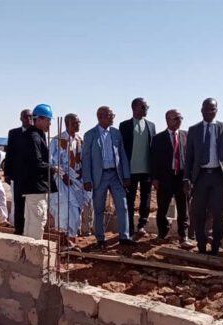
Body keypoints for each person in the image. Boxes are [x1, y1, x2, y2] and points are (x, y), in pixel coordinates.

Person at [183, 98, 223, 256]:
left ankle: (215, 247)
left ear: (216, 111)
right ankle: (201, 245)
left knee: (218, 214)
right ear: (201, 110)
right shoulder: (194, 130)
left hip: (218, 177)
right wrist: (186, 178)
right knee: (198, 212)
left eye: (212, 109)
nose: (209, 112)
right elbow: (189, 156)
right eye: (206, 109)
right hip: (200, 177)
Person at [82, 106, 135, 249]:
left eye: (113, 115)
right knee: (99, 208)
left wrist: (126, 175)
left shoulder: (116, 133)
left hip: (116, 176)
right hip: (99, 177)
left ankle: (124, 237)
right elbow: (86, 158)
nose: (113, 118)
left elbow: (122, 155)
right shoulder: (90, 135)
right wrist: (87, 179)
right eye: (110, 115)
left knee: (122, 205)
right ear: (101, 117)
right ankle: (100, 239)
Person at [48, 114, 92, 249]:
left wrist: (82, 172)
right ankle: (62, 241)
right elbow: (51, 161)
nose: (78, 125)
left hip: (77, 180)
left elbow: (82, 159)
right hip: (62, 181)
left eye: (79, 122)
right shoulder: (57, 140)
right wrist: (63, 175)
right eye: (75, 123)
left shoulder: (79, 140)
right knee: (63, 209)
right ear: (68, 124)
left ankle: (71, 240)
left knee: (75, 210)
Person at [150, 109, 190, 247]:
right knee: (162, 208)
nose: (179, 121)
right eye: (176, 118)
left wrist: (189, 177)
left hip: (181, 177)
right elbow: (154, 159)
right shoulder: (158, 138)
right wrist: (155, 178)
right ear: (167, 120)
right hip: (165, 178)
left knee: (183, 208)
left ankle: (183, 236)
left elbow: (190, 157)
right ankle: (162, 234)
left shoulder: (186, 135)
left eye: (180, 118)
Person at [119, 98, 156, 237]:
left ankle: (142, 225)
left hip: (147, 170)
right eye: (144, 107)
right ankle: (129, 228)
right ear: (134, 108)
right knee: (129, 200)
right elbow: (121, 150)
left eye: (147, 107)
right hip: (130, 171)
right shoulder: (124, 126)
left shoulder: (151, 125)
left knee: (146, 199)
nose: (146, 109)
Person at [21, 104, 58, 240]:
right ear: (40, 119)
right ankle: (34, 248)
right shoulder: (34, 137)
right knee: (38, 219)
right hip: (35, 186)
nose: (50, 124)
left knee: (31, 219)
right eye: (48, 120)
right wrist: (53, 168)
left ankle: (28, 248)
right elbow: (36, 163)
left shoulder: (35, 135)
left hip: (34, 186)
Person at [3, 109, 33, 235]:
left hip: (32, 177)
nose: (29, 119)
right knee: (18, 204)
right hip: (18, 176)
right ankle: (19, 230)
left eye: (31, 117)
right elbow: (9, 154)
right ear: (21, 118)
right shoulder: (14, 133)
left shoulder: (38, 133)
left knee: (31, 205)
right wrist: (7, 173)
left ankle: (29, 230)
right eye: (26, 117)